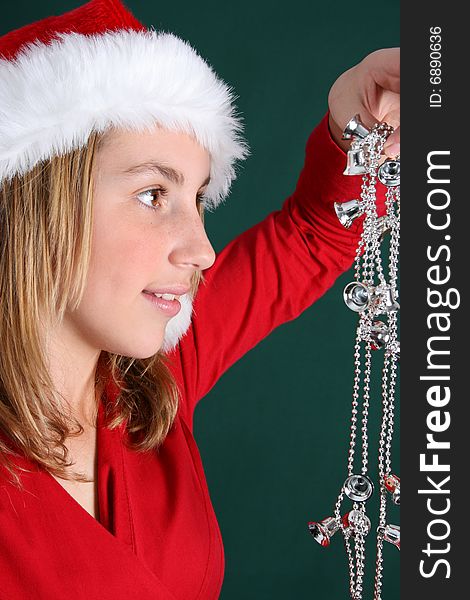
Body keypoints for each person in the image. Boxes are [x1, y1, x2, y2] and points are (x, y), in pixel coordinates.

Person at [0, 0, 400, 598]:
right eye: (153, 194)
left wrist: (357, 117)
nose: (202, 250)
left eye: (198, 200)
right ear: (38, 202)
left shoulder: (151, 384)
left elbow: (313, 235)